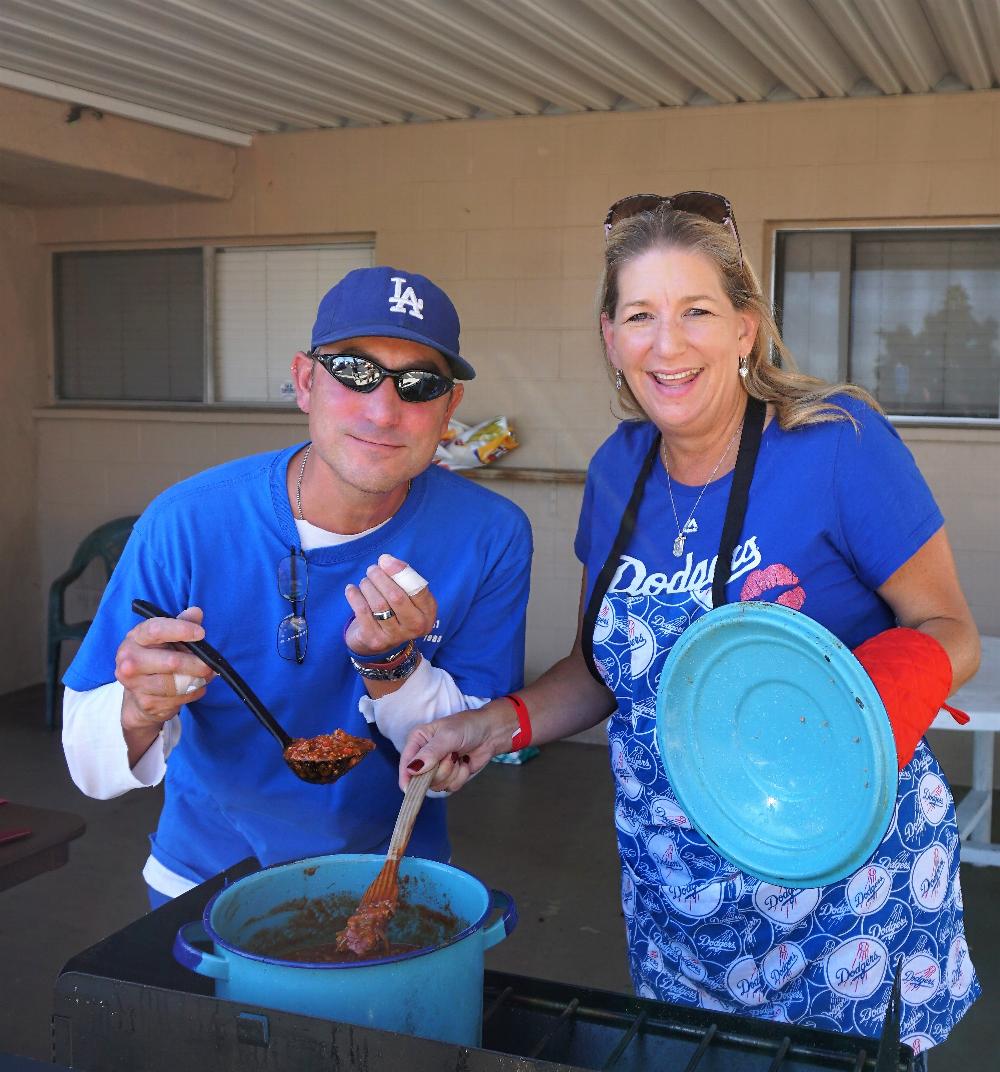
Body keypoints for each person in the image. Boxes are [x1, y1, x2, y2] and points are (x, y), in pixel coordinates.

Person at [399, 194, 981, 1060]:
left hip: (844, 899)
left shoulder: (834, 445)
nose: (667, 345)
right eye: (640, 315)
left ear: (746, 327)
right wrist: (493, 724)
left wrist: (861, 715)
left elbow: (950, 630)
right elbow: (602, 669)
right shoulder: (617, 470)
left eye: (697, 311)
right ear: (611, 338)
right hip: (679, 902)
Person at [62, 265, 532, 908]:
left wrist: (395, 668)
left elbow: (453, 761)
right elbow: (88, 767)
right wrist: (140, 708)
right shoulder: (190, 520)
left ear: (448, 409)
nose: (383, 409)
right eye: (355, 373)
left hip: (391, 882)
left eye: (419, 384)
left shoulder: (490, 534)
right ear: (306, 382)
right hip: (203, 882)